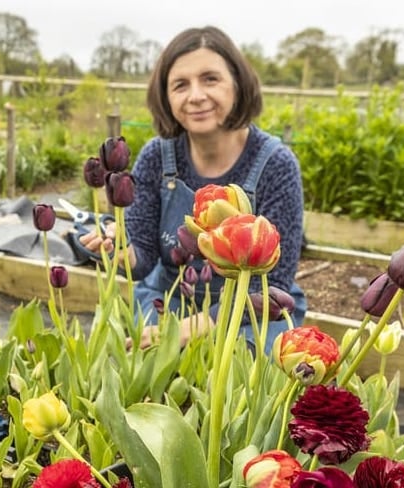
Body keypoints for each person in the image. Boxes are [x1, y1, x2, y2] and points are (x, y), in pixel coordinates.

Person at [80, 25, 306, 353]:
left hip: (250, 309)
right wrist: (117, 251)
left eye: (210, 79)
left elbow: (274, 284)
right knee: (130, 360)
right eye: (180, 85)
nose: (196, 95)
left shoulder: (275, 164)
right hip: (170, 296)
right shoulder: (157, 156)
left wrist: (190, 329)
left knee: (242, 369)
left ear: (238, 85)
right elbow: (142, 258)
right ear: (166, 96)